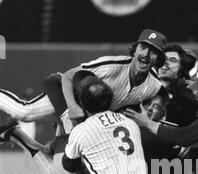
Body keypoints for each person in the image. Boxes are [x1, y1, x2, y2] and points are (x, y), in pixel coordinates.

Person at [0, 29, 167, 130]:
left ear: (158, 59)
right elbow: (68, 76)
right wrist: (72, 106)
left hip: (88, 117)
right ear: (135, 49)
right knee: (23, 112)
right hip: (68, 97)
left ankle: (14, 134)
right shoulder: (113, 65)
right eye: (143, 47)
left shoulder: (154, 86)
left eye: (152, 51)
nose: (145, 54)